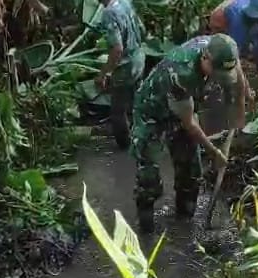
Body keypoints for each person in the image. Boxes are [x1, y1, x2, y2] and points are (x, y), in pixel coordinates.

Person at [131, 34, 248, 233]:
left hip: (183, 107)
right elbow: (189, 123)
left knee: (191, 170)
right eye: (216, 73)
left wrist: (239, 115)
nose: (218, 79)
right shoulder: (181, 74)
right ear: (205, 58)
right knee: (149, 175)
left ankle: (185, 221)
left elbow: (238, 82)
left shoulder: (224, 50)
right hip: (153, 111)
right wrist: (214, 152)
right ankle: (146, 228)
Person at [94, 0, 146, 150]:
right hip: (138, 58)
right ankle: (143, 136)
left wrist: (104, 73)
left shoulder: (108, 13)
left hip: (126, 66)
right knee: (137, 101)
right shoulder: (125, 2)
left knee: (118, 108)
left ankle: (126, 144)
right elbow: (142, 29)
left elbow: (117, 49)